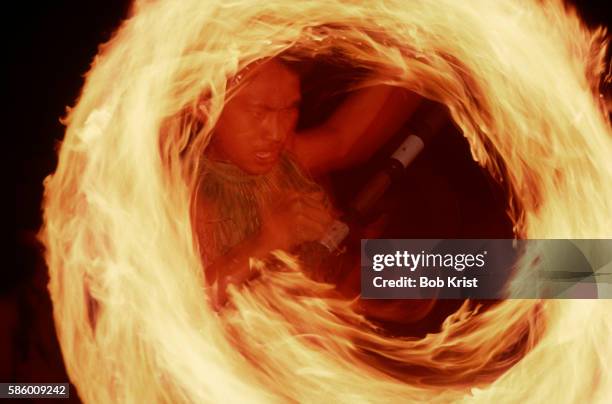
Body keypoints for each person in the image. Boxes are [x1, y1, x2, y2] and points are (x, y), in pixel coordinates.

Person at [192, 57, 421, 309]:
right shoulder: (182, 196)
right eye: (259, 112)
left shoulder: (287, 155)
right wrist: (267, 240)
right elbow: (183, 312)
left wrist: (415, 53)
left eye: (290, 109)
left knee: (458, 270)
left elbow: (345, 139)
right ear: (206, 107)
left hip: (348, 301)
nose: (277, 133)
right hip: (281, 337)